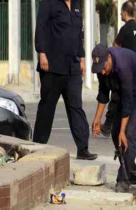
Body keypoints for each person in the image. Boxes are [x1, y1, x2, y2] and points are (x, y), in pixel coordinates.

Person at [33, 0, 97, 160]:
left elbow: (78, 33)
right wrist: (41, 53)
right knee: (47, 108)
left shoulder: (76, 4)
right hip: (52, 66)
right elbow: (40, 28)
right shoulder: (48, 3)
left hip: (72, 67)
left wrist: (81, 57)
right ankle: (37, 146)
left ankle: (83, 148)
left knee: (76, 107)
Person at [91, 44, 136, 192]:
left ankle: (124, 179)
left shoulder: (122, 66)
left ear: (108, 58)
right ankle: (134, 174)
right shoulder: (101, 68)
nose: (102, 71)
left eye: (103, 67)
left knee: (129, 134)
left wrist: (123, 131)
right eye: (99, 68)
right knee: (115, 134)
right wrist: (97, 119)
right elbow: (103, 94)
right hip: (125, 91)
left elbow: (127, 103)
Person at [100, 0, 136, 137]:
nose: (120, 14)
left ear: (125, 12)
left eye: (121, 12)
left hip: (124, 69)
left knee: (117, 98)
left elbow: (115, 47)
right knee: (132, 100)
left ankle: (107, 126)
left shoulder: (125, 29)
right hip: (135, 69)